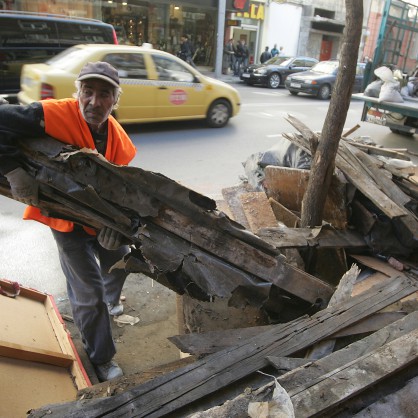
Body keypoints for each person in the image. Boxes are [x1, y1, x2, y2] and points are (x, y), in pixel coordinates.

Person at [0, 61, 137, 382]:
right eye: (87, 92)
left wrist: (114, 230)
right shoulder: (51, 113)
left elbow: (123, 193)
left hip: (99, 220)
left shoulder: (119, 140)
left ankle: (111, 301)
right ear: (78, 93)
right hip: (65, 221)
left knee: (123, 260)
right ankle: (101, 358)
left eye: (104, 94)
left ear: (115, 101)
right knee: (87, 295)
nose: (94, 102)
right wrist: (12, 170)